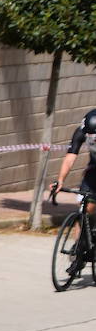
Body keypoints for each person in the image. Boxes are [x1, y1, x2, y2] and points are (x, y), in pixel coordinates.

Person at [50, 109, 96, 264]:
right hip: (93, 171)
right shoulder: (82, 131)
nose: (92, 139)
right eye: (90, 136)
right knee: (84, 208)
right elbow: (70, 156)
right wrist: (60, 180)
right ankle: (79, 247)